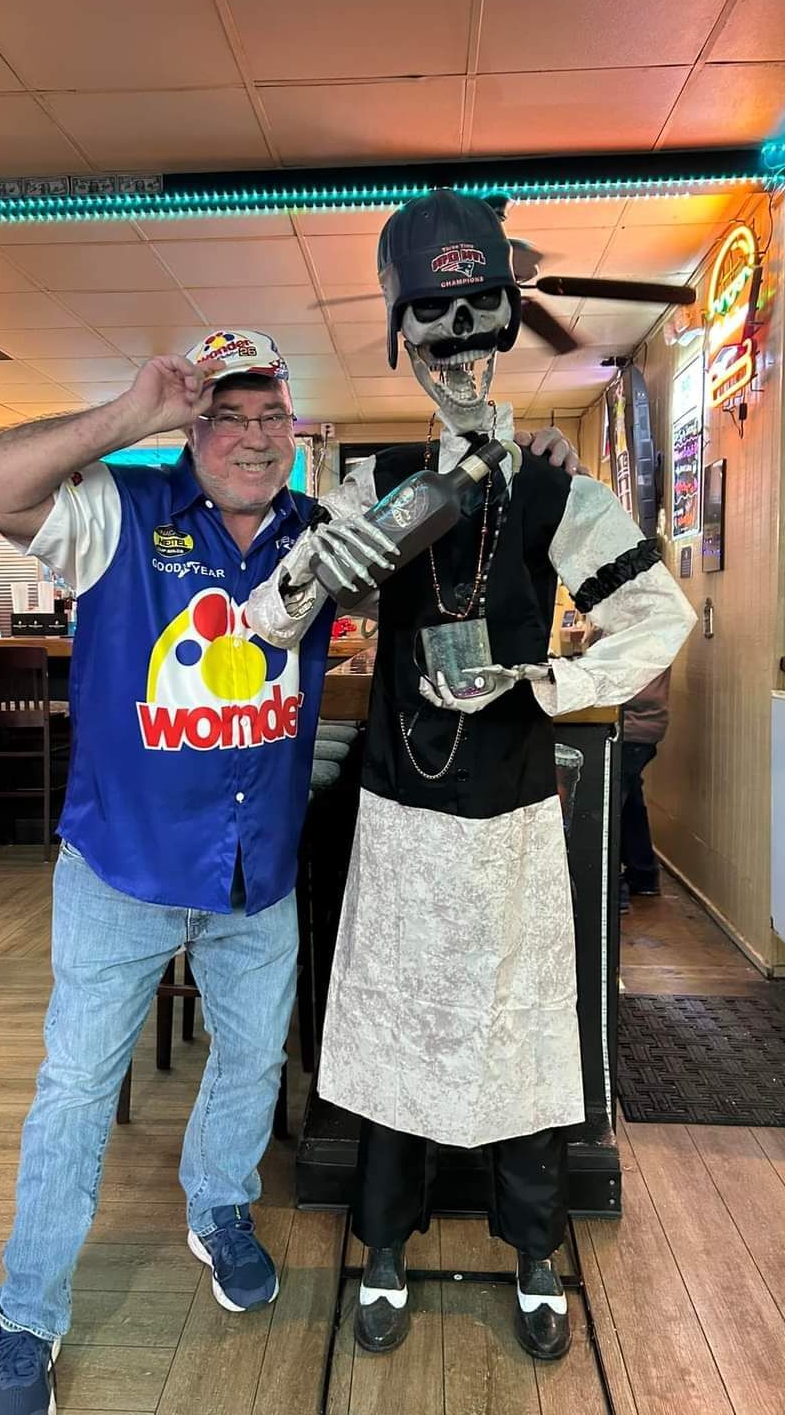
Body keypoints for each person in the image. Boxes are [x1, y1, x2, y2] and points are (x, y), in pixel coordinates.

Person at [247, 189, 696, 1363]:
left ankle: (538, 1251)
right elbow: (263, 618)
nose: (455, 341)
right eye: (428, 318)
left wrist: (542, 680)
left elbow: (659, 614)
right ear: (403, 336)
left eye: (476, 312)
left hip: (508, 823)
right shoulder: (380, 482)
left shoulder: (558, 491)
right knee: (396, 1040)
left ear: (505, 324)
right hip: (398, 815)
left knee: (522, 1037)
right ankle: (384, 1248)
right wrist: (314, 575)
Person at [0, 330, 360, 1415]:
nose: (254, 438)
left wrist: (522, 469)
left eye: (271, 415)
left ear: (293, 427)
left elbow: (442, 535)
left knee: (253, 1058)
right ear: (192, 425)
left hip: (254, 876)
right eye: (229, 415)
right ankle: (27, 1318)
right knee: (74, 1095)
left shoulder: (319, 538)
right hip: (120, 870)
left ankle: (218, 1205)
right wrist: (122, 418)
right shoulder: (116, 511)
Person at [620, 664, 672, 905]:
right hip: (640, 723)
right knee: (629, 800)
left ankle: (612, 891)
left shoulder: (642, 631)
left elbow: (627, 684)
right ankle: (643, 875)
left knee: (610, 803)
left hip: (632, 724)